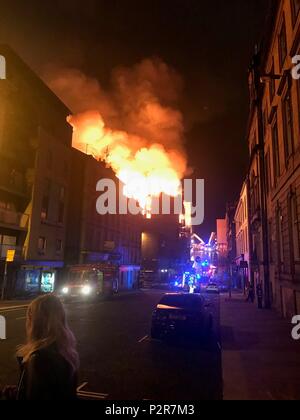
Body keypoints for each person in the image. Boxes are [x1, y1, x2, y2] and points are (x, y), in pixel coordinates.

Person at [1, 294, 79, 400]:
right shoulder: (64, 351)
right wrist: (20, 392)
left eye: (29, 317)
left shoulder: (39, 359)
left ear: (35, 322)